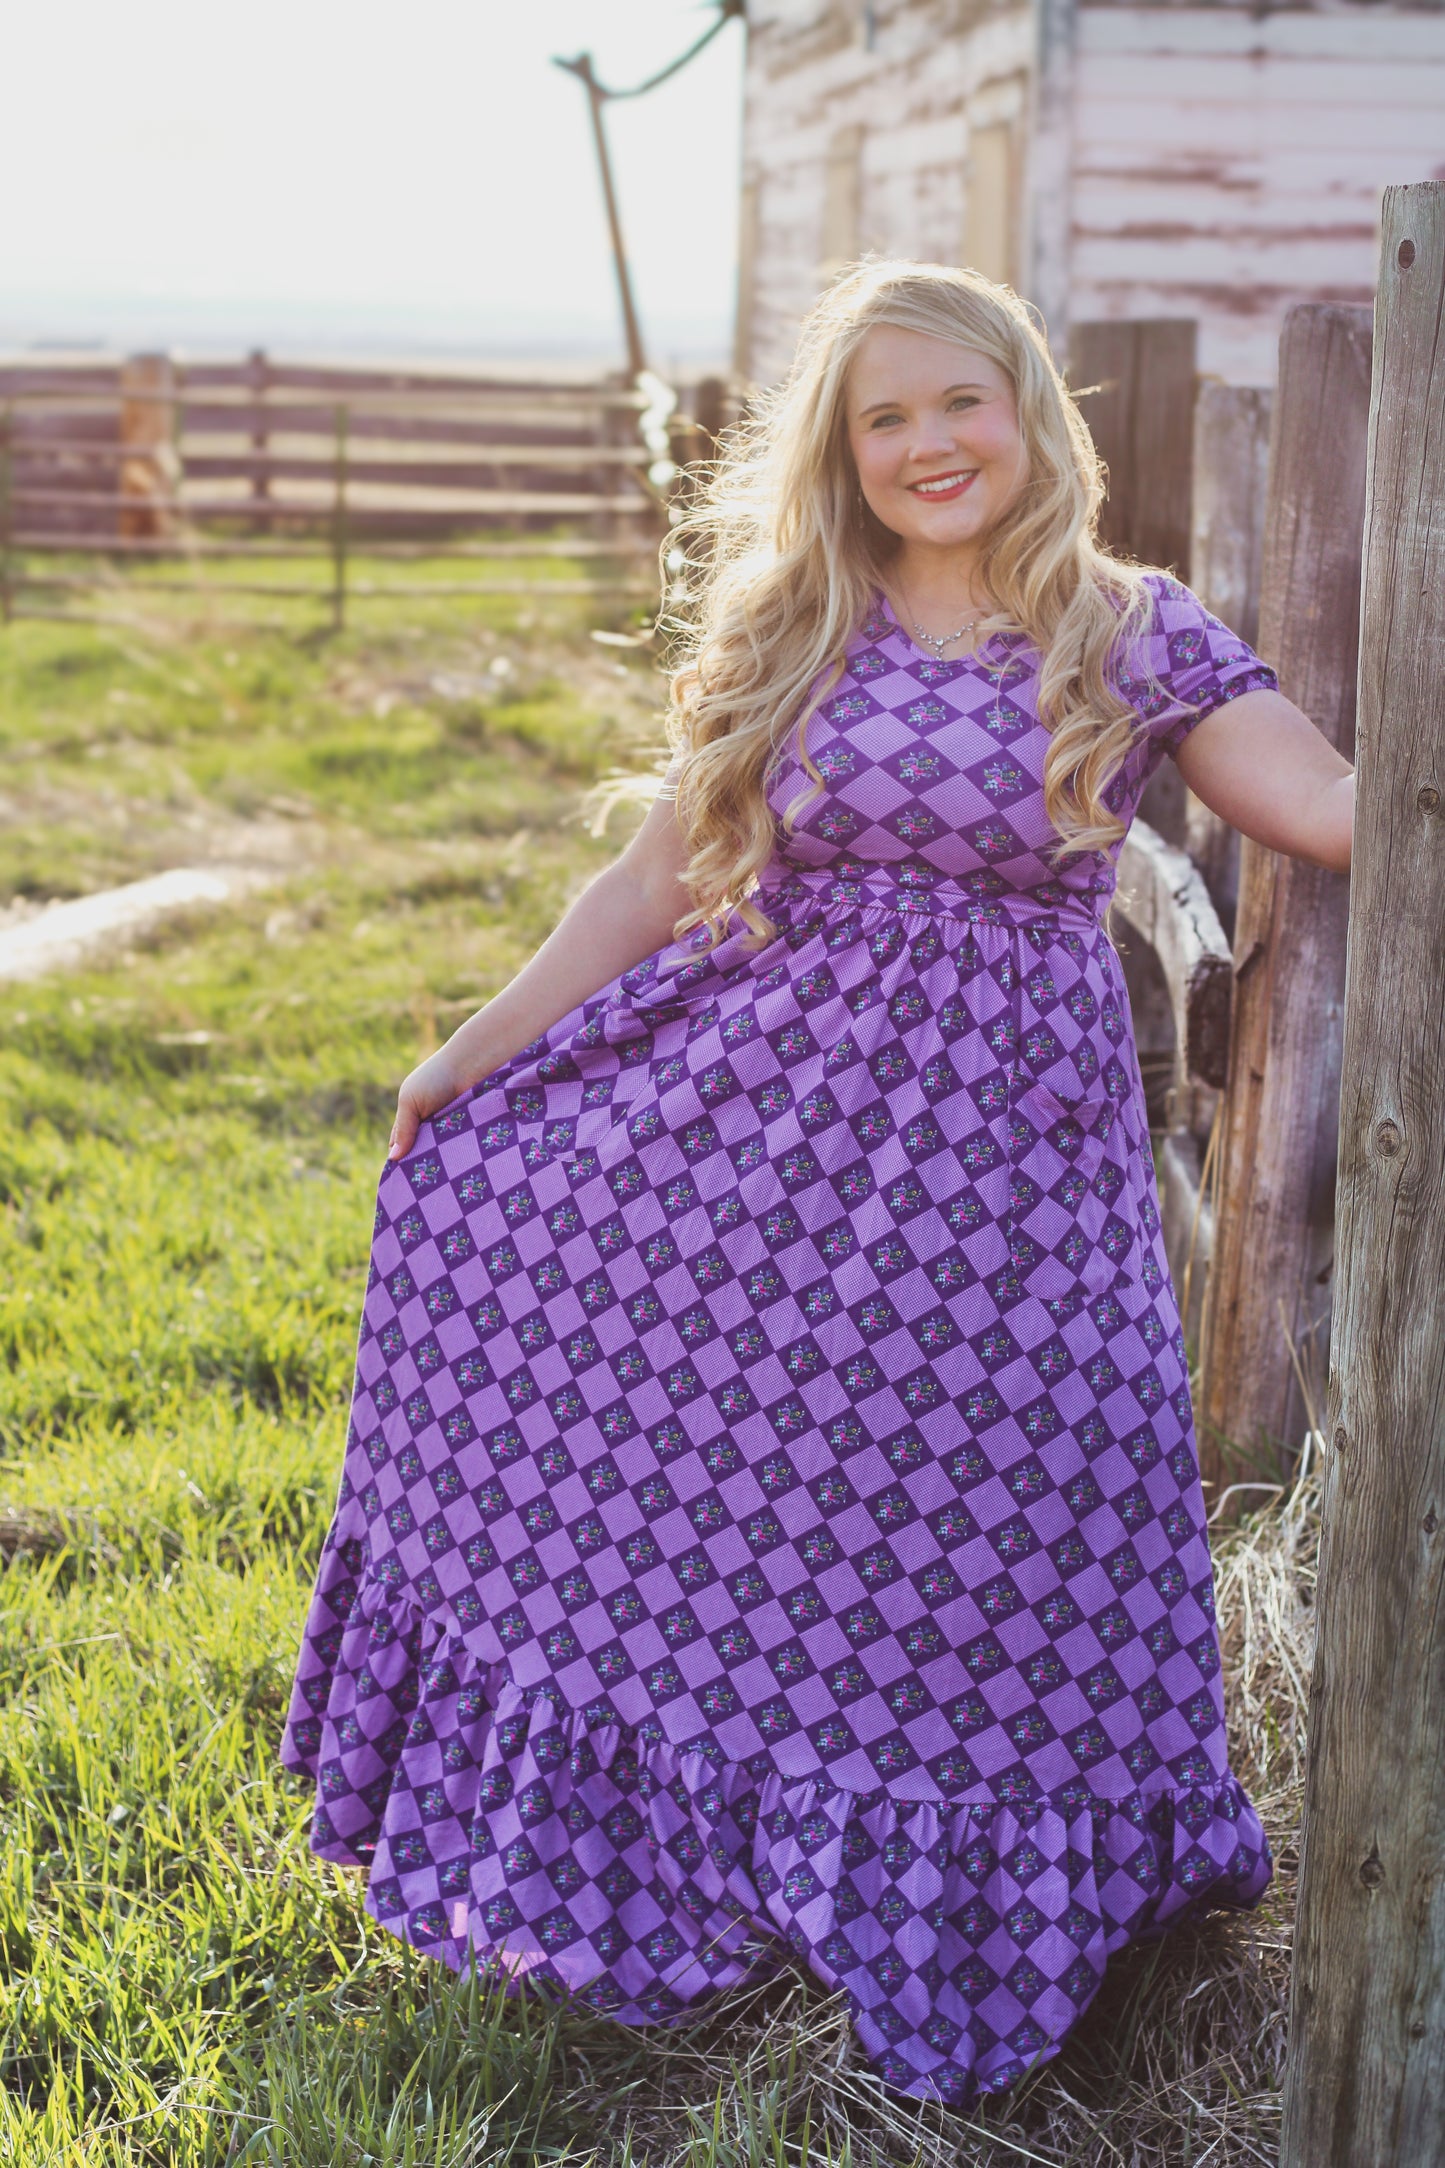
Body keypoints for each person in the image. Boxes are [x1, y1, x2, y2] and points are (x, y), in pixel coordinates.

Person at [283, 262, 1352, 2106]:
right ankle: (697, 1870)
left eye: (961, 403)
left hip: (998, 1187)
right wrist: (472, 1046)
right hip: (753, 1134)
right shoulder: (808, 622)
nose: (929, 444)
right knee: (722, 1499)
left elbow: (1331, 809)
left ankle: (987, 1908)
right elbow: (648, 878)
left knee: (1001, 1530)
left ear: (1028, 413)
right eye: (886, 419)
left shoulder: (1125, 631)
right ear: (843, 456)